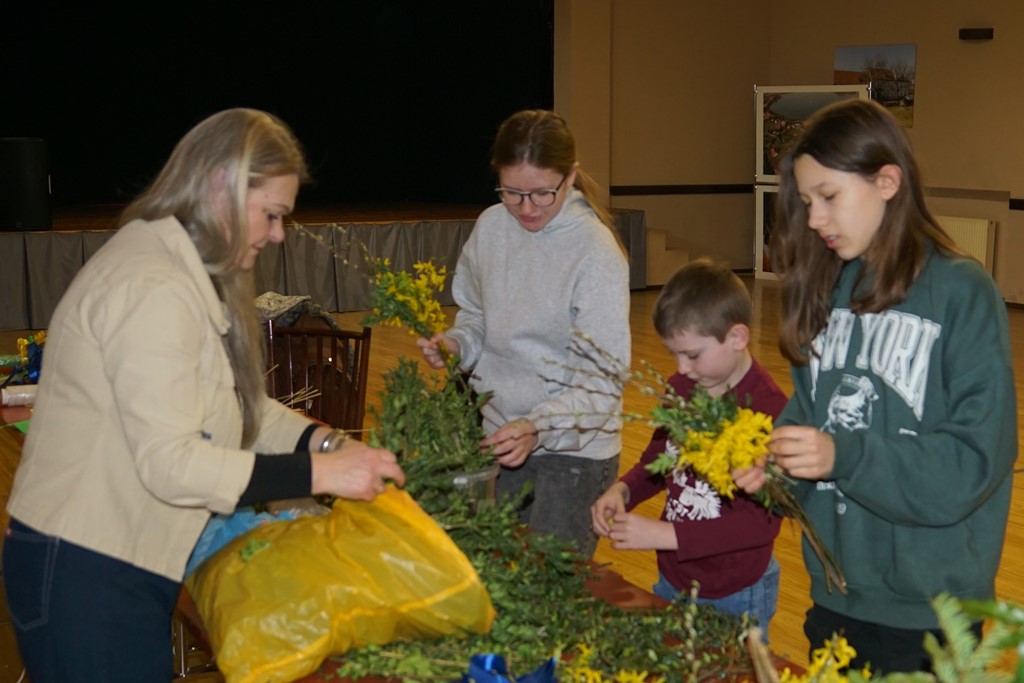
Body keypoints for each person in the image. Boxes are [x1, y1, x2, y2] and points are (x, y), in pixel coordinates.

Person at [2, 108, 406, 682]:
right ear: (221, 186)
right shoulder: (153, 285)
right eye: (271, 214)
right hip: (82, 572)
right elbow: (171, 464)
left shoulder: (183, 270)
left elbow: (238, 406)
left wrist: (325, 443)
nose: (278, 234)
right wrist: (319, 477)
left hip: (118, 564)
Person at [736, 98, 1017, 674]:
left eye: (828, 197)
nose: (814, 219)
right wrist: (778, 465)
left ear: (887, 181)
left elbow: (974, 460)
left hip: (930, 606)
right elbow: (810, 412)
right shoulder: (826, 287)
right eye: (807, 202)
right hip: (837, 590)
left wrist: (845, 454)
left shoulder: (962, 292)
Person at [417, 109, 631, 558]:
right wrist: (458, 344)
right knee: (494, 577)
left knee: (547, 595)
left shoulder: (596, 253)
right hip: (500, 438)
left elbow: (602, 383)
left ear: (570, 176)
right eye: (512, 193)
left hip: (575, 452)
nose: (527, 208)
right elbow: (475, 315)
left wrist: (537, 426)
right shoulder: (491, 227)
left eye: (541, 193)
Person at [591, 259, 787, 635]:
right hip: (673, 577)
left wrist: (665, 536)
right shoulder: (682, 387)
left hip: (734, 592)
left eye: (693, 354)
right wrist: (623, 490)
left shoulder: (769, 410)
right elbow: (660, 459)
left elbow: (758, 525)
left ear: (737, 338)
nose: (681, 368)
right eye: (674, 354)